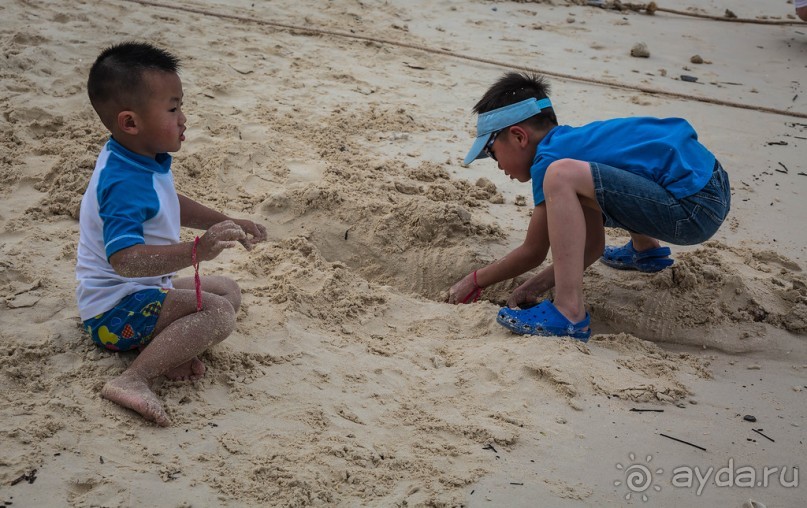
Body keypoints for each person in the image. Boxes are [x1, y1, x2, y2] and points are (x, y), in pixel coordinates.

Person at [447, 72, 730, 342]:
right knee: (611, 169)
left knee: (561, 176)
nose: (498, 166)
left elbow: (532, 252)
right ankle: (646, 250)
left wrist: (475, 280)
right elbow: (591, 247)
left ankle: (569, 311)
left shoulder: (549, 161)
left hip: (693, 207)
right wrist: (535, 285)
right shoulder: (575, 144)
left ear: (519, 137)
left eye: (493, 153)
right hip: (707, 184)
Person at [76, 42, 267, 426]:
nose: (183, 119)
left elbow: (168, 202)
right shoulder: (123, 183)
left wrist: (224, 220)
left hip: (144, 293)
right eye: (173, 108)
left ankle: (166, 348)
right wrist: (197, 250)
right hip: (112, 313)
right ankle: (133, 379)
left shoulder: (138, 157)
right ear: (131, 123)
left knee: (227, 290)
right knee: (217, 314)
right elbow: (125, 261)